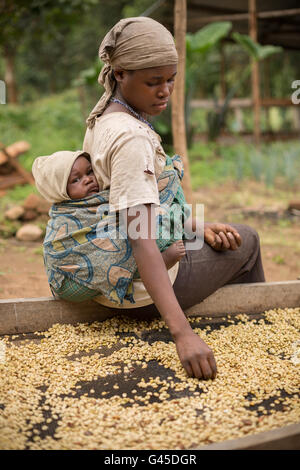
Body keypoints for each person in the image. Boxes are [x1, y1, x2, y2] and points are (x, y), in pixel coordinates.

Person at [81, 17, 266, 381]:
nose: (165, 91)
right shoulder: (132, 138)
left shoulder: (105, 118)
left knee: (221, 234)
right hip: (136, 290)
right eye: (153, 82)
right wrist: (182, 336)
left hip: (113, 271)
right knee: (249, 241)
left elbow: (142, 208)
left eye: (170, 80)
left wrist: (201, 226)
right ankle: (251, 340)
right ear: (119, 73)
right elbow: (140, 237)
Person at [32, 150, 186, 304]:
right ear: (59, 190)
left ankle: (142, 267)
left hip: (90, 272)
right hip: (70, 282)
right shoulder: (65, 214)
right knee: (144, 242)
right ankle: (155, 265)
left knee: (137, 234)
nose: (88, 180)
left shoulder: (103, 197)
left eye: (89, 172)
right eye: (76, 179)